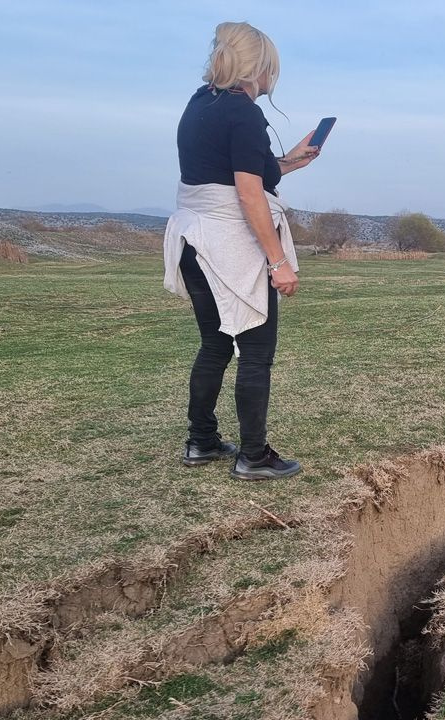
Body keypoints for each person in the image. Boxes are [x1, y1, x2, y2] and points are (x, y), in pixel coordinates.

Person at [163, 22, 322, 481]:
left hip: (192, 239)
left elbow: (230, 174)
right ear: (260, 69)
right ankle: (254, 455)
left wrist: (289, 161)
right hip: (227, 242)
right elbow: (249, 195)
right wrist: (278, 262)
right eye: (272, 67)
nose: (275, 76)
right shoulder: (244, 112)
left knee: (214, 344)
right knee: (256, 352)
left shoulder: (199, 104)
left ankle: (202, 440)